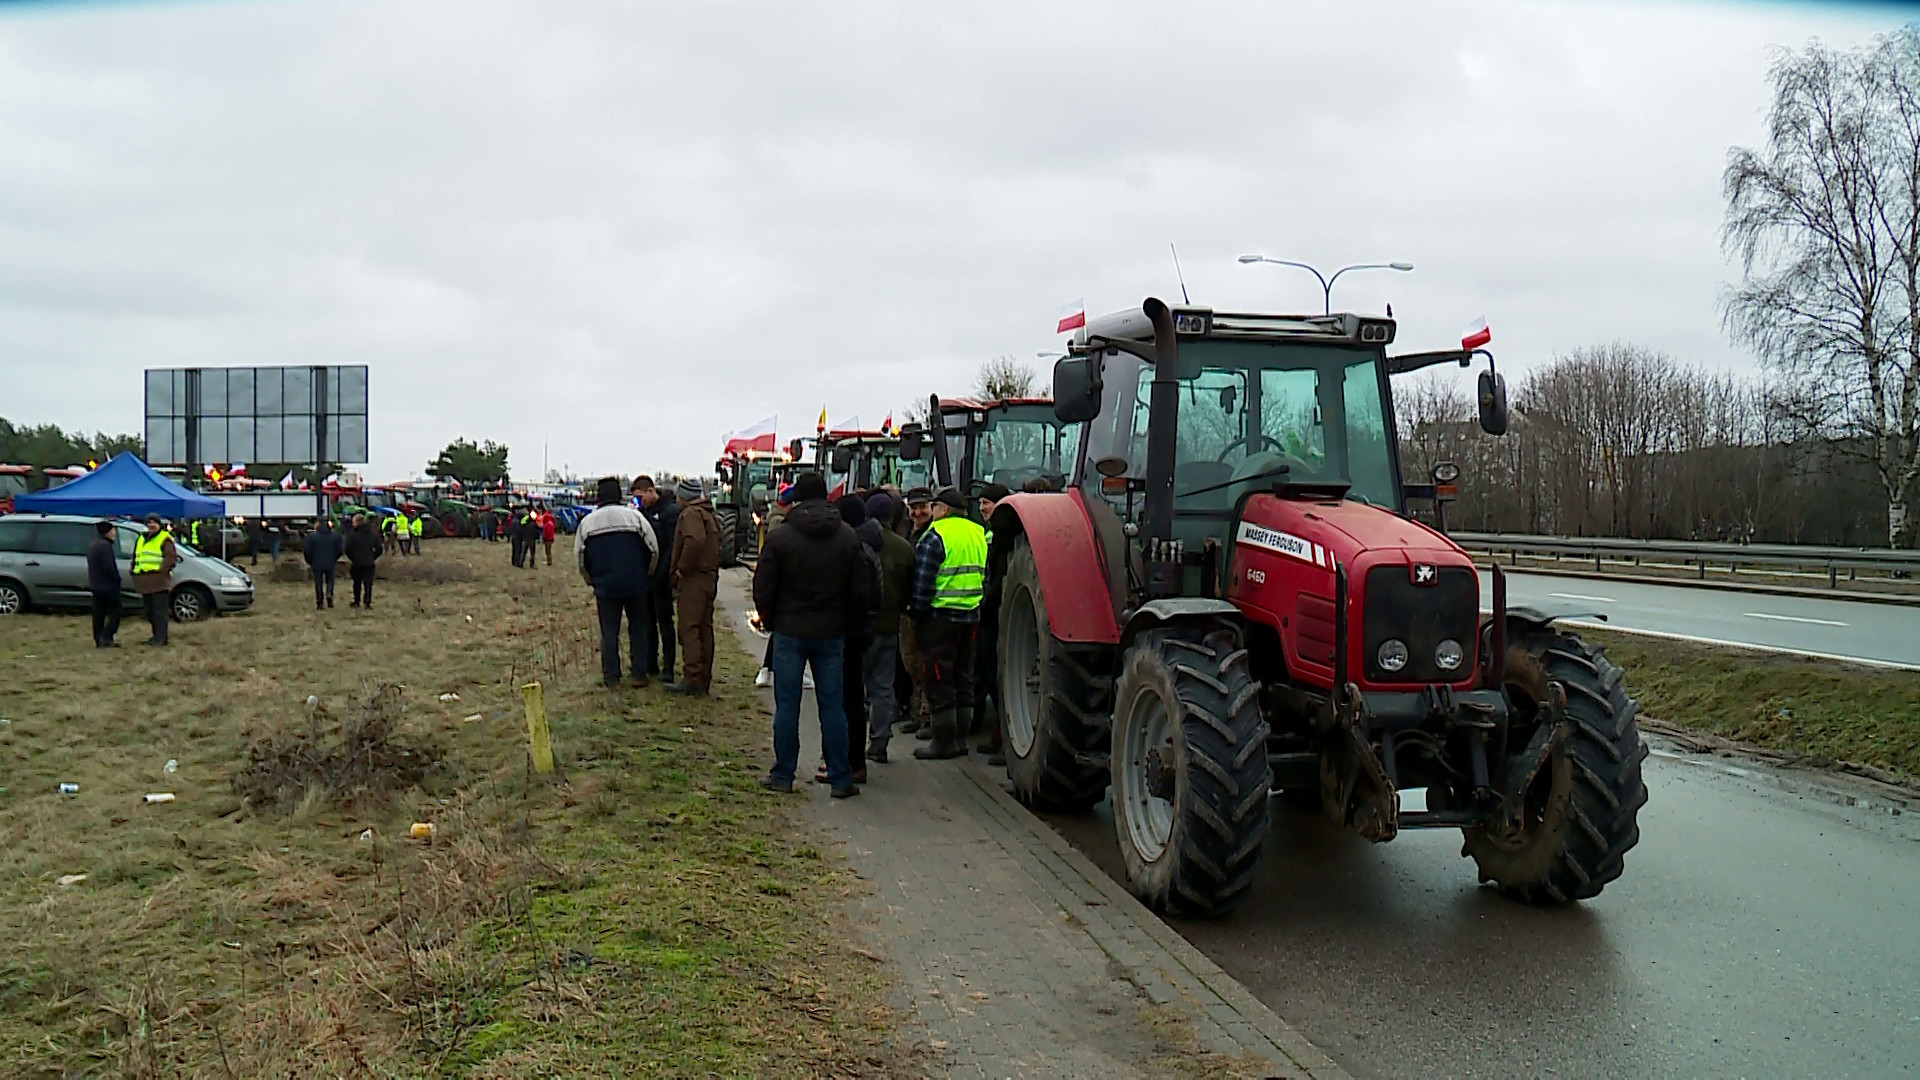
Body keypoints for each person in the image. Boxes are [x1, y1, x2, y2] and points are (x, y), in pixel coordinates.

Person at [752, 471, 869, 797]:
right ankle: (841, 778)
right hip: (832, 633)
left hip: (790, 632)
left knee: (787, 706)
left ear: (797, 498)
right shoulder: (847, 537)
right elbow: (861, 589)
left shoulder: (782, 537)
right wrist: (848, 622)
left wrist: (772, 621)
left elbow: (763, 586)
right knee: (833, 706)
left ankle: (783, 774)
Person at [908, 487, 987, 760]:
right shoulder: (978, 533)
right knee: (964, 677)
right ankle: (961, 739)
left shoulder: (935, 535)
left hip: (940, 617)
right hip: (970, 615)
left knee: (938, 677)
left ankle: (943, 742)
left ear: (941, 509)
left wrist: (916, 614)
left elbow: (923, 581)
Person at [812, 495, 880, 784]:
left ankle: (847, 763)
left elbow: (857, 595)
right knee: (849, 698)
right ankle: (848, 761)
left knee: (843, 700)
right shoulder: (869, 546)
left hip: (847, 633)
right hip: (861, 631)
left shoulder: (855, 549)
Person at [575, 476, 659, 689]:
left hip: (606, 586)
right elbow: (653, 549)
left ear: (598, 497)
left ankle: (612, 676)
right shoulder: (636, 518)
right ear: (620, 496)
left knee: (609, 632)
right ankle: (639, 673)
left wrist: (592, 581)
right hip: (636, 583)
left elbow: (580, 558)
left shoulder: (588, 523)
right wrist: (646, 574)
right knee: (639, 628)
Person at [863, 491, 914, 763]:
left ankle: (849, 747)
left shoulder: (858, 543)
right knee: (883, 688)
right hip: (889, 627)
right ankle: (879, 743)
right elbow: (909, 590)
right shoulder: (905, 548)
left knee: (852, 688)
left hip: (860, 629)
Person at [666, 478, 722, 695]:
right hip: (709, 577)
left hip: (694, 579)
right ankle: (703, 678)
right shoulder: (710, 515)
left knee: (689, 628)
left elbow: (695, 541)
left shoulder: (690, 515)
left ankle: (691, 678)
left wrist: (682, 569)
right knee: (704, 629)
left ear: (684, 497)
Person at [973, 483, 1011, 760]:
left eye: (987, 502)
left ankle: (1005, 738)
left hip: (996, 615)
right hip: (988, 613)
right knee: (990, 675)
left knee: (999, 677)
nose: (982, 508)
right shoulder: (991, 534)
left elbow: (999, 577)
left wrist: (987, 603)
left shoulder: (1003, 536)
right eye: (981, 503)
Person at [633, 476, 679, 681]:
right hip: (645, 578)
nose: (638, 502)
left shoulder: (670, 511)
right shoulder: (642, 514)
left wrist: (661, 572)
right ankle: (650, 663)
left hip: (662, 578)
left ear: (651, 491)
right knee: (647, 623)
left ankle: (668, 666)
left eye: (640, 497)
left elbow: (672, 546)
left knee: (665, 623)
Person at [131, 513, 178, 646]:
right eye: (149, 522)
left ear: (159, 525)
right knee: (149, 611)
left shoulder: (165, 539)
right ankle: (156, 635)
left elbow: (170, 558)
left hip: (159, 582)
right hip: (144, 581)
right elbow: (136, 556)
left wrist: (162, 572)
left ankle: (161, 638)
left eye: (154, 522)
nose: (151, 525)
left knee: (160, 612)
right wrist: (133, 570)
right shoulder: (141, 538)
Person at [88, 519, 122, 648]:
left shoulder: (94, 545)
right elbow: (109, 567)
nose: (115, 533)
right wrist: (117, 580)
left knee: (99, 613)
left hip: (96, 585)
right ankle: (107, 636)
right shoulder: (105, 546)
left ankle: (98, 638)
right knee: (116, 611)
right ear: (107, 532)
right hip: (107, 586)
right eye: (113, 530)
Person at [303, 517, 345, 610]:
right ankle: (329, 593)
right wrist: (334, 558)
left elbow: (307, 551)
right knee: (330, 580)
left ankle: (320, 601)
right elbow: (339, 550)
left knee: (318, 582)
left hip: (317, 563)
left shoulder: (312, 537)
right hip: (330, 562)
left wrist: (310, 561)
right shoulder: (334, 536)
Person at [344, 512, 383, 609]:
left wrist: (353, 558)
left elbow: (347, 549)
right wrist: (372, 557)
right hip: (369, 563)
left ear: (356, 522)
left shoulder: (353, 535)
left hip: (357, 562)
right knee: (368, 584)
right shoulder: (372, 534)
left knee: (356, 583)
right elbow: (379, 549)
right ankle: (367, 602)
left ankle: (357, 601)